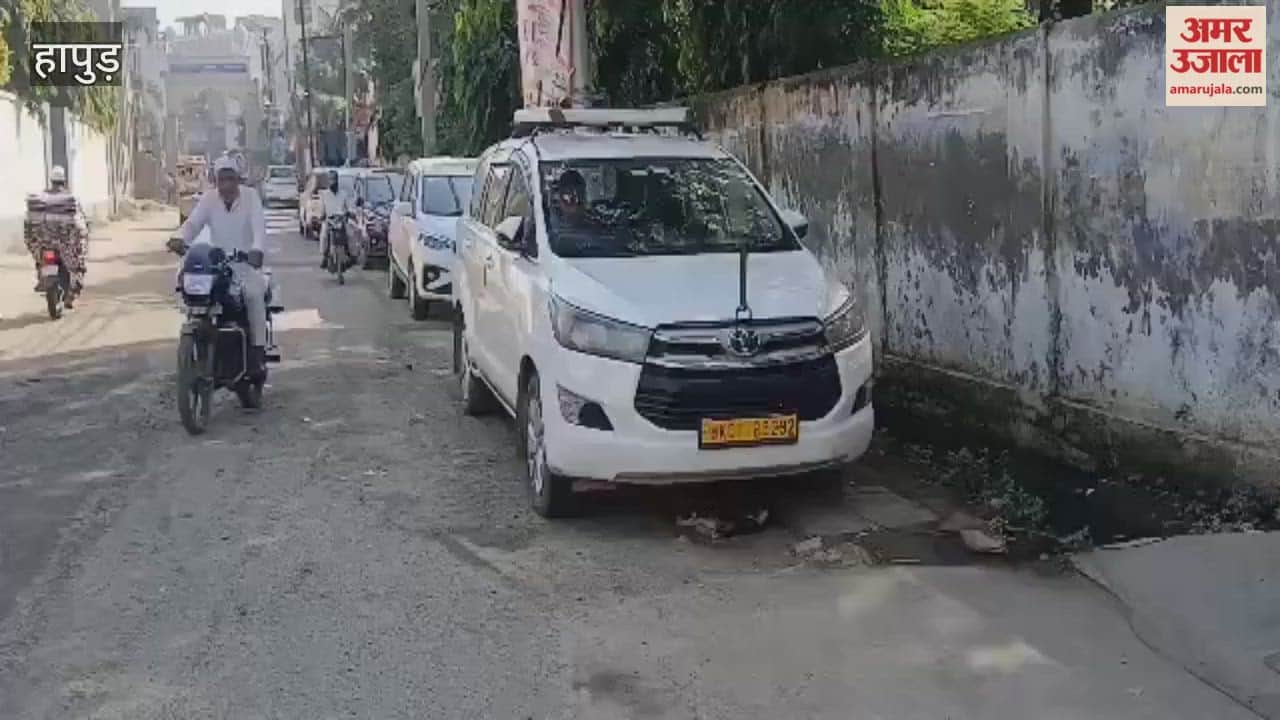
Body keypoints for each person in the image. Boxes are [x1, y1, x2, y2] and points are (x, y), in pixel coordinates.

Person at [176, 156, 271, 379]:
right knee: (198, 296)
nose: (226, 185)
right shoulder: (209, 199)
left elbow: (259, 228)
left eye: (231, 179)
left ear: (238, 179)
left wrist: (257, 250)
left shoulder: (250, 197)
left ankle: (257, 351)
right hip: (217, 265)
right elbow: (193, 224)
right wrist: (180, 238)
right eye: (222, 179)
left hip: (245, 265)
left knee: (253, 294)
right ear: (216, 181)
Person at [24, 165, 89, 292]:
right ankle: (75, 283)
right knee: (79, 254)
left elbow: (30, 226)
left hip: (44, 241)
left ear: (51, 181)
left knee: (40, 259)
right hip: (64, 244)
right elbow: (80, 222)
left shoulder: (42, 198)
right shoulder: (70, 198)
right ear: (63, 181)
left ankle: (42, 277)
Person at [318, 169, 351, 269]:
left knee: (350, 234)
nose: (333, 182)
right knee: (324, 236)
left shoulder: (343, 194)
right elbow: (322, 210)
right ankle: (324, 256)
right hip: (329, 221)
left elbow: (348, 207)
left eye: (334, 179)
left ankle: (350, 255)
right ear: (328, 181)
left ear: (337, 180)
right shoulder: (324, 195)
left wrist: (349, 213)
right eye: (331, 180)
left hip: (341, 220)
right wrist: (321, 216)